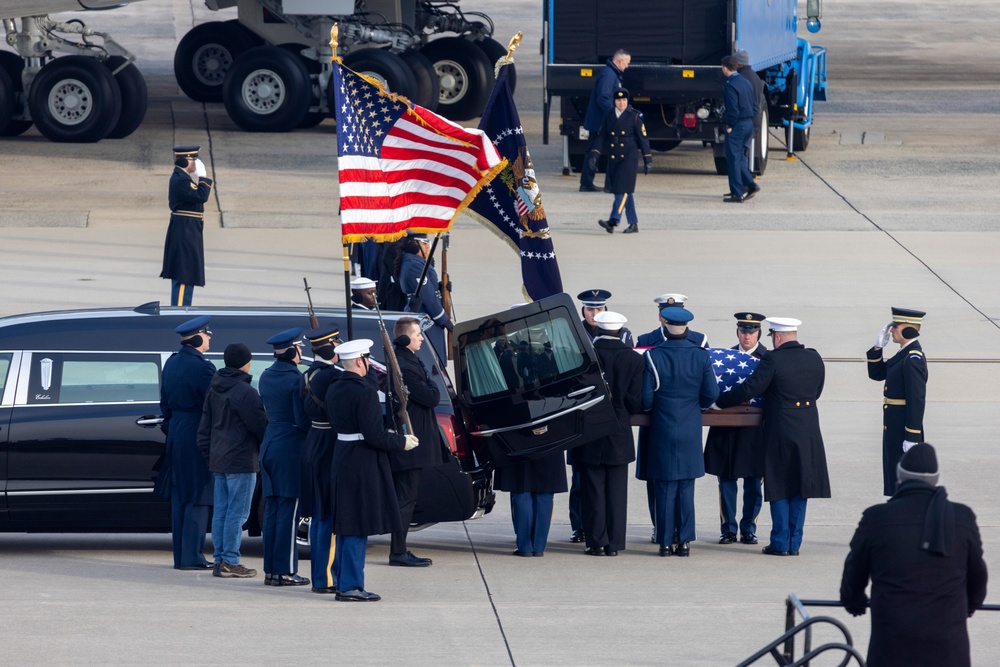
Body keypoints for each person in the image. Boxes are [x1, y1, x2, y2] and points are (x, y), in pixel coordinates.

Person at [840, 443, 988, 667]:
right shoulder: (961, 517)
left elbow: (854, 572)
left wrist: (854, 601)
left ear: (899, 477)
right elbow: (978, 576)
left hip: (891, 644)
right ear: (936, 479)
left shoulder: (876, 518)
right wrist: (969, 605)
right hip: (948, 646)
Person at [715, 317, 831, 556]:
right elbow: (817, 391)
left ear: (777, 337)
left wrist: (720, 402)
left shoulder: (773, 359)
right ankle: (794, 543)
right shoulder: (814, 357)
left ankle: (780, 543)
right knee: (801, 485)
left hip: (781, 428)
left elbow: (750, 388)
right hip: (809, 428)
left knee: (779, 484)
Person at [326, 339, 418, 601]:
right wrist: (401, 441)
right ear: (360, 361)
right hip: (361, 462)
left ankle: (343, 579)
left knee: (346, 524)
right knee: (357, 524)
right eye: (367, 359)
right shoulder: (363, 391)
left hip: (343, 456)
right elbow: (373, 435)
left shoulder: (334, 387)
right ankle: (351, 586)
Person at [640, 307, 719, 557]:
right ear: (686, 328)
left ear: (665, 326)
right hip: (690, 429)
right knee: (686, 486)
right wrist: (698, 406)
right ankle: (684, 541)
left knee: (664, 487)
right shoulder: (701, 356)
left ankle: (664, 542)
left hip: (662, 429)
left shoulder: (653, 356)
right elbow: (711, 395)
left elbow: (645, 399)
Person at [574, 311, 645, 557]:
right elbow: (635, 402)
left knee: (592, 490)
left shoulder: (584, 357)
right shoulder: (634, 359)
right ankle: (614, 544)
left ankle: (595, 542)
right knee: (616, 492)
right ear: (619, 330)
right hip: (619, 431)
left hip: (589, 430)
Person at [197, 343, 267, 578]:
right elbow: (259, 426)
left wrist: (210, 454)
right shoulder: (245, 392)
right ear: (245, 363)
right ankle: (230, 560)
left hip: (219, 459)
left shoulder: (214, 387)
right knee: (237, 514)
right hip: (241, 460)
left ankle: (219, 559)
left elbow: (205, 426)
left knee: (222, 512)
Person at [156, 315, 216, 570]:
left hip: (177, 432)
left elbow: (165, 404)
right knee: (198, 495)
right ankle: (192, 556)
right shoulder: (203, 368)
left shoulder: (171, 363)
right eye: (207, 334)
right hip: (196, 431)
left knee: (180, 495)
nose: (210, 338)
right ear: (198, 337)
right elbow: (213, 406)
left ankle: (181, 555)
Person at [704, 312, 767, 545]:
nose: (746, 336)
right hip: (727, 428)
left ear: (759, 333)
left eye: (751, 332)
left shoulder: (768, 358)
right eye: (743, 331)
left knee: (754, 484)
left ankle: (749, 528)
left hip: (755, 431)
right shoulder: (723, 358)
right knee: (726, 481)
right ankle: (728, 529)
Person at [387, 316, 444, 567]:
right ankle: (398, 551)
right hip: (410, 441)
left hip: (411, 440)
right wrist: (431, 384)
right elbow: (431, 396)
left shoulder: (409, 360)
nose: (421, 337)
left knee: (407, 498)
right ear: (405, 337)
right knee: (405, 498)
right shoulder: (405, 366)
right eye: (418, 333)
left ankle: (400, 549)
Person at [258, 327, 310, 587]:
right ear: (292, 351)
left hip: (270, 444)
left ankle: (271, 569)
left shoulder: (266, 376)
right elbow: (301, 419)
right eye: (299, 348)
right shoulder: (296, 379)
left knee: (273, 510)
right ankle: (286, 570)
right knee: (290, 512)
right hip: (290, 446)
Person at [299, 323, 343, 594]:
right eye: (337, 343)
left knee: (318, 513)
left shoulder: (306, 375)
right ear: (331, 348)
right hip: (329, 444)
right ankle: (325, 578)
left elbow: (298, 416)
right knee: (328, 514)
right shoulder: (333, 377)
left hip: (312, 442)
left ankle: (320, 575)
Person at [867, 307, 928, 496]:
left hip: (903, 427)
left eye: (896, 326)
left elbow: (916, 399)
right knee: (895, 476)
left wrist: (912, 436)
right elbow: (877, 374)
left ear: (909, 329)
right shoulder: (904, 354)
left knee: (904, 480)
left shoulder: (913, 358)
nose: (891, 330)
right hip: (894, 424)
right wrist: (878, 348)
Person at [160, 145, 213, 306]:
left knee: (187, 272)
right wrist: (203, 178)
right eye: (193, 160)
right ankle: (180, 309)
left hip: (187, 228)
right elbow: (201, 196)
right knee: (184, 273)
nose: (195, 163)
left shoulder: (182, 178)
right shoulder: (181, 180)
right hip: (185, 231)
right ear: (184, 161)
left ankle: (182, 308)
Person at [594, 89, 652, 234]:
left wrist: (648, 159)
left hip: (629, 157)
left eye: (624, 100)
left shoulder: (634, 116)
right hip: (614, 157)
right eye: (619, 101)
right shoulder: (609, 115)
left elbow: (643, 139)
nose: (621, 103)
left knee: (622, 191)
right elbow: (602, 136)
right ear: (614, 101)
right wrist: (594, 154)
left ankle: (613, 220)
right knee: (625, 192)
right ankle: (633, 223)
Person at [580, 49, 630, 192]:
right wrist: (615, 114)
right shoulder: (609, 75)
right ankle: (606, 185)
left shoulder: (611, 74)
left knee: (594, 151)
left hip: (600, 121)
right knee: (606, 151)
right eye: (627, 63)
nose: (627, 67)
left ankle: (588, 182)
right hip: (601, 122)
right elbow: (603, 98)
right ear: (620, 61)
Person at [397, 234, 453, 361]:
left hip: (429, 313)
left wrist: (441, 287)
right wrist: (443, 319)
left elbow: (429, 287)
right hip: (426, 316)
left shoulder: (415, 262)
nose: (427, 247)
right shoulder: (414, 265)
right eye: (424, 243)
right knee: (432, 359)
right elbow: (427, 296)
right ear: (414, 244)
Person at [721, 55, 760, 203]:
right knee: (739, 158)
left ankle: (738, 192)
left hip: (738, 125)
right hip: (748, 123)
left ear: (725, 68)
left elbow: (733, 109)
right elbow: (754, 105)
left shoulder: (730, 85)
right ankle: (747, 186)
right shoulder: (746, 82)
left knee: (733, 158)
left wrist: (730, 125)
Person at [635, 294, 709, 349]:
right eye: (667, 314)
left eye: (676, 314)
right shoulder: (644, 341)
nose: (672, 318)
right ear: (659, 316)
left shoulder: (700, 340)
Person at [734, 50, 766, 173]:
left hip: (744, 120)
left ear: (739, 63)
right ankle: (748, 178)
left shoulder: (741, 78)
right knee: (745, 151)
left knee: (740, 154)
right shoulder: (755, 77)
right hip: (755, 119)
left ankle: (747, 182)